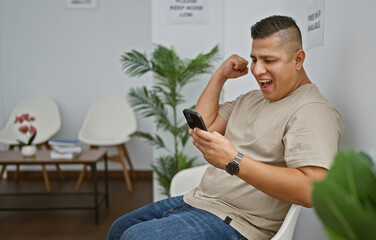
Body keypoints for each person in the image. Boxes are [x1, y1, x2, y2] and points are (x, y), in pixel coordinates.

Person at [108, 15, 344, 240]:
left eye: (269, 60)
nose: (257, 70)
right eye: (254, 59)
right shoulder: (253, 98)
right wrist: (220, 76)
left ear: (298, 59)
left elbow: (312, 190)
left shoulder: (312, 110)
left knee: (133, 237)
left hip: (240, 223)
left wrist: (235, 161)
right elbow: (204, 126)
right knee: (119, 229)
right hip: (198, 201)